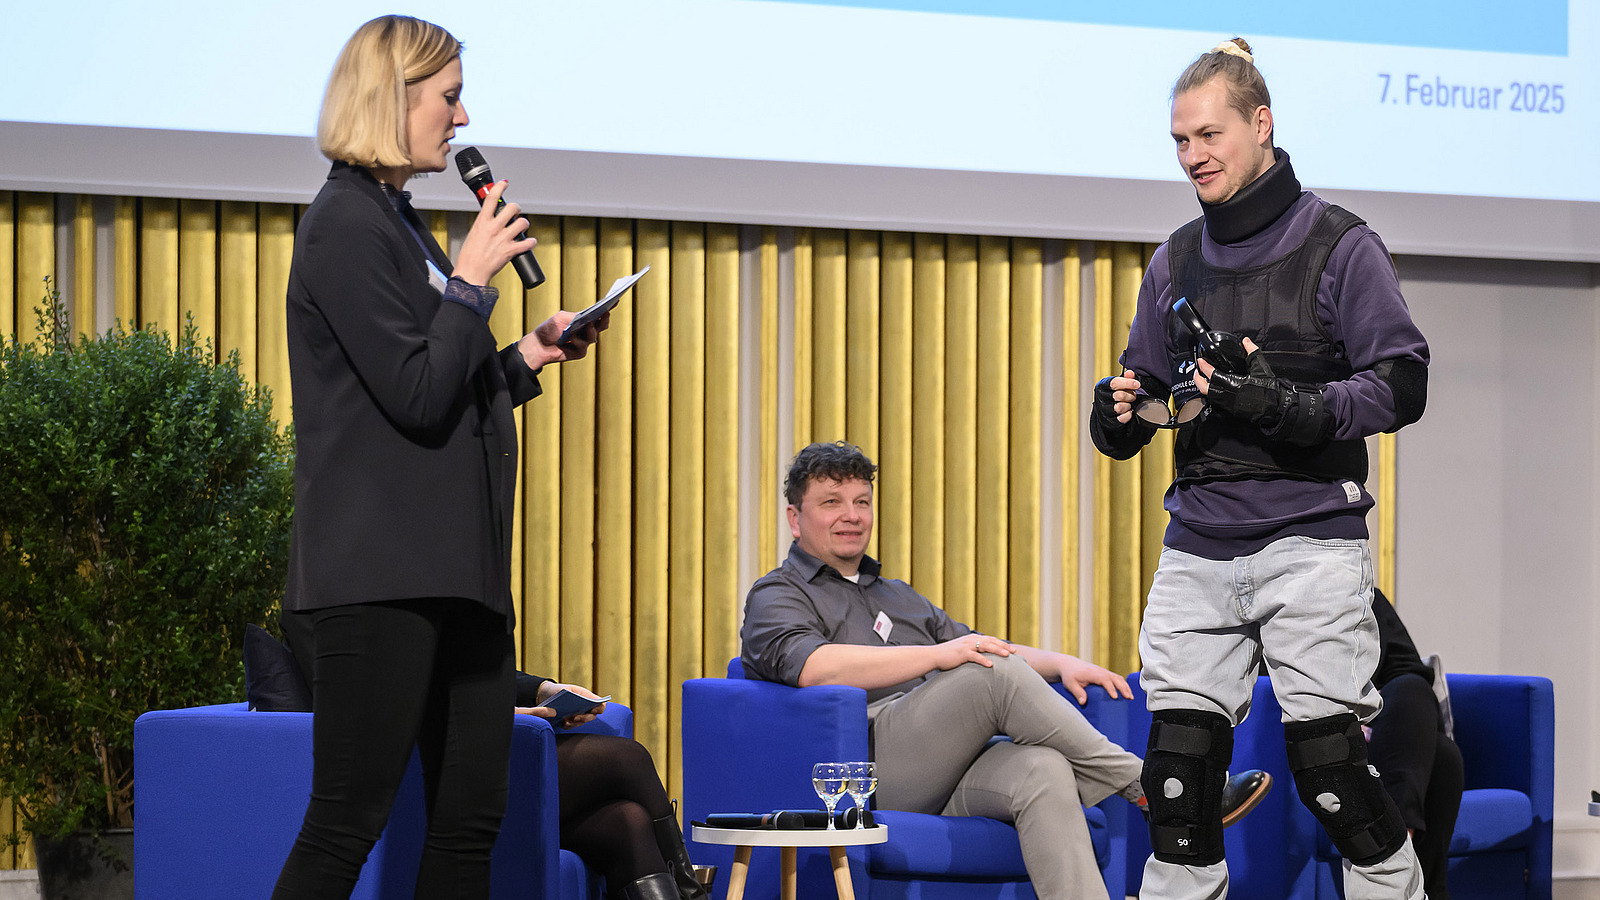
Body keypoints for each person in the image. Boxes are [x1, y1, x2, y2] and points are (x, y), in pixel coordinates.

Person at [273, 15, 609, 899]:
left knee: (469, 825)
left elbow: (441, 380)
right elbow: (415, 399)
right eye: (449, 97)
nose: (462, 120)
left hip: (459, 575)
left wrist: (527, 355)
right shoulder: (343, 225)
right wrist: (470, 283)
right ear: (393, 98)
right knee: (346, 821)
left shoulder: (399, 223)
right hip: (378, 581)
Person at [1090, 37, 1430, 900]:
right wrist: (1120, 417)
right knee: (1176, 785)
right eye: (1179, 141)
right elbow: (1157, 392)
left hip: (1310, 540)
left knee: (1333, 780)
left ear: (1262, 123)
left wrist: (1284, 405)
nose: (1192, 155)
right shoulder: (1174, 258)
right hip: (1198, 545)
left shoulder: (1341, 245)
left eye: (1209, 135)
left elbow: (1402, 385)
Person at [740, 441, 1271, 900]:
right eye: (831, 503)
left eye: (861, 502)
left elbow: (981, 646)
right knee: (989, 671)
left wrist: (1061, 663)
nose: (851, 515)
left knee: (1042, 768)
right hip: (860, 772)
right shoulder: (778, 594)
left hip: (940, 768)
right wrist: (937, 656)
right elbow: (812, 667)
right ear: (795, 517)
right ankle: (1153, 786)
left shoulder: (895, 596)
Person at [513, 674, 711, 900]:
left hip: (507, 735)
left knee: (628, 820)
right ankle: (694, 895)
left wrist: (543, 690)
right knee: (629, 759)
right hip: (477, 760)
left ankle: (692, 894)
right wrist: (499, 713)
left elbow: (490, 674)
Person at [1366, 590, 1462, 900]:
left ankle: (1397, 853)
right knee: (1444, 757)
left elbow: (1407, 669)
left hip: (1380, 733)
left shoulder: (1364, 595)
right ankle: (1401, 869)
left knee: (1411, 688)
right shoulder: (1275, 600)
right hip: (1314, 731)